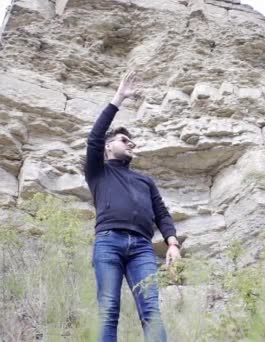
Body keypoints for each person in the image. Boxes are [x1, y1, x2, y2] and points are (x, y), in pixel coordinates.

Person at [84, 71, 181, 342]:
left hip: (142, 248)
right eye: (125, 140)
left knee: (151, 311)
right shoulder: (98, 172)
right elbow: (93, 137)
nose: (132, 144)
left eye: (132, 142)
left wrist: (172, 243)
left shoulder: (144, 180)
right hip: (108, 243)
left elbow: (161, 213)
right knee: (109, 310)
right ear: (107, 147)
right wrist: (119, 98)